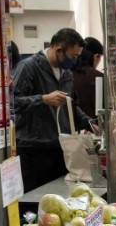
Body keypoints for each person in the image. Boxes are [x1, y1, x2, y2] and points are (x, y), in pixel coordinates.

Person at [13, 28, 97, 192]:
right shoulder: (28, 68)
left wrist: (89, 122)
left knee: (60, 197)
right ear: (59, 50)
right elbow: (12, 103)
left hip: (60, 147)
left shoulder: (66, 73)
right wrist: (42, 99)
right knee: (35, 201)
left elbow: (71, 105)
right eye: (73, 56)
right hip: (33, 150)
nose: (76, 61)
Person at [72, 37, 105, 119]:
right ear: (96, 56)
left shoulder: (68, 75)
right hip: (95, 126)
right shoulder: (99, 77)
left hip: (73, 127)